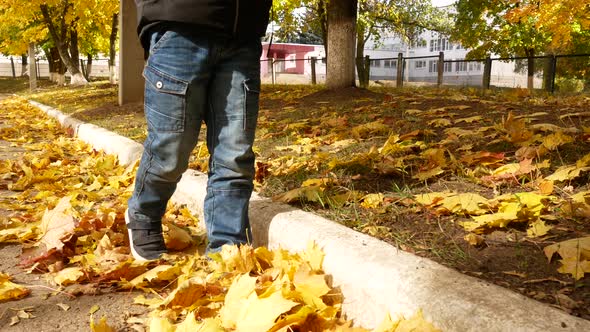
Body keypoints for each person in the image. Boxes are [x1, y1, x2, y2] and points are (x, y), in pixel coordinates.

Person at [126, 0, 273, 261]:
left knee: (235, 154)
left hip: (243, 33)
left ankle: (226, 246)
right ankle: (144, 213)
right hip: (178, 24)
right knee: (171, 148)